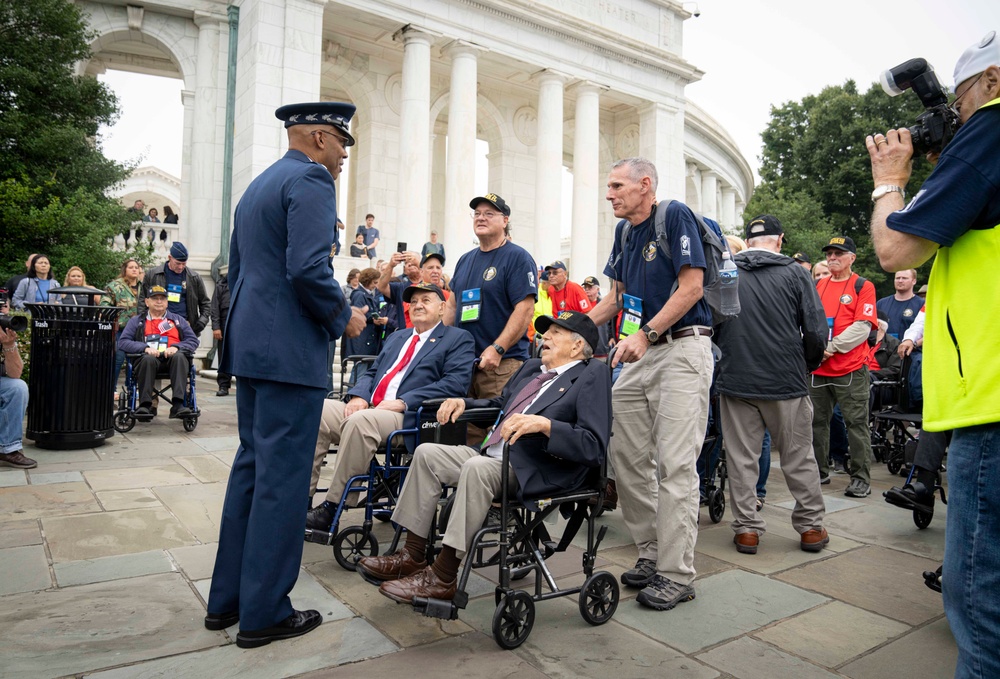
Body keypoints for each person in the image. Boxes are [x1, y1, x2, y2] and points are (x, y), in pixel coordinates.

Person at [207, 101, 367, 649]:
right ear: (320, 138)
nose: (345, 157)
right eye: (343, 144)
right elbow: (306, 268)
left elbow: (242, 268)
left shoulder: (258, 186)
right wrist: (345, 316)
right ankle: (265, 613)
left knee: (251, 471)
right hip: (291, 353)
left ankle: (227, 600)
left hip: (253, 348)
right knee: (281, 481)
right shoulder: (313, 180)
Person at [866, 32, 1000, 677]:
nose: (960, 112)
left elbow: (897, 251)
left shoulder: (993, 128)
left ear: (993, 82)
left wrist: (889, 182)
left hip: (991, 400)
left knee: (978, 597)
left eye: (964, 97)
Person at [355, 312, 610, 603]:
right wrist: (464, 402)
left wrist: (546, 425)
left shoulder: (592, 374)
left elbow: (593, 445)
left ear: (577, 347)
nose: (545, 338)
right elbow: (500, 405)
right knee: (426, 453)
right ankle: (412, 555)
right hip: (493, 454)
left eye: (555, 333)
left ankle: (443, 576)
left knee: (477, 467)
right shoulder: (531, 368)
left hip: (538, 466)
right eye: (545, 332)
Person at [587, 157, 714, 612]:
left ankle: (678, 574)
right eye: (608, 185)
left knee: (677, 464)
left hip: (680, 348)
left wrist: (646, 333)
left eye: (617, 185)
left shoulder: (673, 214)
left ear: (645, 185)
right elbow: (616, 299)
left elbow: (692, 287)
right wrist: (570, 329)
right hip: (639, 351)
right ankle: (652, 551)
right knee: (625, 457)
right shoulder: (624, 233)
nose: (609, 194)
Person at [306, 283, 475, 526]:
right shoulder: (398, 337)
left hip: (410, 415)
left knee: (360, 422)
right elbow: (372, 372)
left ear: (442, 308)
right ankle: (303, 498)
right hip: (373, 407)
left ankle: (333, 506)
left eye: (425, 300)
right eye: (413, 301)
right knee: (316, 410)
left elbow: (454, 384)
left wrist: (404, 402)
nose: (417, 305)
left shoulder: (457, 339)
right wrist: (360, 395)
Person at [715, 215, 829, 555]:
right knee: (798, 457)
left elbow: (715, 322)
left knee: (741, 459)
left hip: (737, 377)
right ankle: (810, 527)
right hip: (785, 379)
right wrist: (806, 364)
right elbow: (815, 329)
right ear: (779, 240)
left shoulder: (727, 272)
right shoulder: (796, 272)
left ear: (749, 241)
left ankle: (747, 529)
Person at [445, 193, 537, 405]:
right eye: (477, 214)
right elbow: (452, 305)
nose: (481, 218)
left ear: (505, 220)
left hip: (501, 365)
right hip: (464, 366)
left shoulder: (517, 257)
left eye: (489, 213)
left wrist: (498, 348)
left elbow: (525, 309)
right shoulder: (465, 259)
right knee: (466, 430)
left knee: (495, 432)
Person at [809, 236, 877, 496]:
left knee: (856, 424)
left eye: (839, 253)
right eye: (829, 253)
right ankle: (819, 471)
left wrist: (830, 348)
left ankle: (861, 478)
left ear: (852, 257)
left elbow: (862, 327)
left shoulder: (863, 286)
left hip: (850, 368)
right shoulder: (817, 285)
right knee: (816, 423)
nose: (832, 258)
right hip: (819, 369)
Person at [117, 286, 200, 419]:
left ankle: (178, 404)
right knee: (147, 359)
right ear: (147, 302)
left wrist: (177, 347)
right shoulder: (136, 321)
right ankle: (145, 405)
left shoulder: (178, 320)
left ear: (167, 302)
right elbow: (123, 342)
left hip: (172, 360)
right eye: (155, 298)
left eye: (162, 299)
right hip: (148, 360)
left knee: (179, 357)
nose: (159, 301)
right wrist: (144, 347)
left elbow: (193, 341)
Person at [139, 242, 210, 335]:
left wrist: (201, 323)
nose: (181, 267)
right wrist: (142, 323)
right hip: (157, 325)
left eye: (184, 264)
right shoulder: (153, 274)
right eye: (177, 263)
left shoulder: (194, 277)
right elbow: (143, 300)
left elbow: (205, 303)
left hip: (184, 327)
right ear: (169, 258)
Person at [0, 296, 36, 470]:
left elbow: (15, 373)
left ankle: (8, 449)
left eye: (3, 307)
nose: (1, 313)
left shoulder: (5, 332)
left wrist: (9, 344)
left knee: (17, 387)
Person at [379, 252, 450, 330]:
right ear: (421, 271)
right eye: (430, 267)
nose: (435, 271)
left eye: (438, 268)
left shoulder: (448, 295)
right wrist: (391, 265)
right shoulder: (409, 291)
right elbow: (381, 286)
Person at [102, 259, 144, 391]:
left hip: (140, 330)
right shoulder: (114, 286)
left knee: (137, 361)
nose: (134, 270)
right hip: (121, 330)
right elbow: (104, 306)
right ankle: (111, 389)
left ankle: (132, 389)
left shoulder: (144, 286)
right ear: (124, 269)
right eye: (131, 267)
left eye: (136, 267)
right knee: (118, 359)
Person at [876, 269, 923, 339]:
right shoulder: (881, 303)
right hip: (884, 348)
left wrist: (913, 343)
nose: (900, 281)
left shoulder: (921, 304)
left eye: (904, 278)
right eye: (897, 278)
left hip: (912, 349)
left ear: (914, 281)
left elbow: (929, 332)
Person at [210, 274, 231, 396]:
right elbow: (215, 307)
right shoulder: (221, 284)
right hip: (224, 323)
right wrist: (216, 327)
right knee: (223, 355)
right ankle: (223, 385)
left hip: (241, 323)